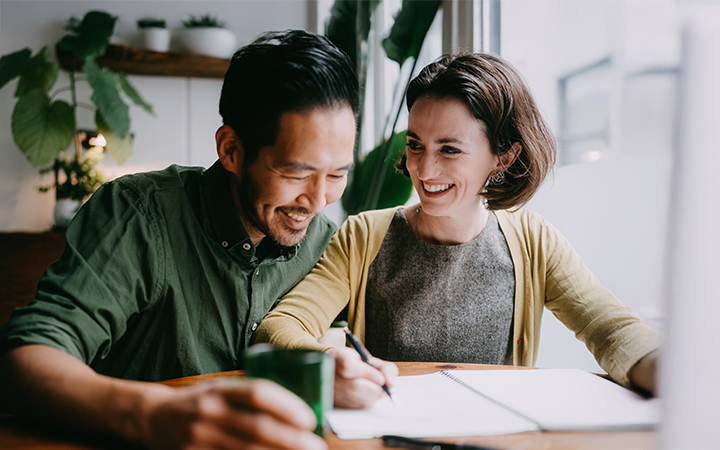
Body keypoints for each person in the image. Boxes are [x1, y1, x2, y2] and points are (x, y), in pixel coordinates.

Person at [0, 30, 362, 450]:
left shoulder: (325, 241)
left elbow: (336, 339)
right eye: (297, 173)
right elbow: (22, 358)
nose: (318, 201)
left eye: (337, 175)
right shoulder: (139, 214)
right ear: (231, 150)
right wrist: (154, 415)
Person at [254, 51, 662, 405]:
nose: (425, 169)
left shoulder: (534, 241)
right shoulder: (363, 236)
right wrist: (330, 363)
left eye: (449, 149)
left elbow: (611, 331)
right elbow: (279, 328)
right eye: (415, 144)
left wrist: (673, 374)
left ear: (503, 156)